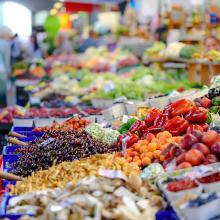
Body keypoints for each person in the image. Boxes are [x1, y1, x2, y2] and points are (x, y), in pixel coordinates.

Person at [0, 26, 12, 107]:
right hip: (2, 71)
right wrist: (9, 73)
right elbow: (7, 61)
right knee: (2, 94)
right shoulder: (6, 44)